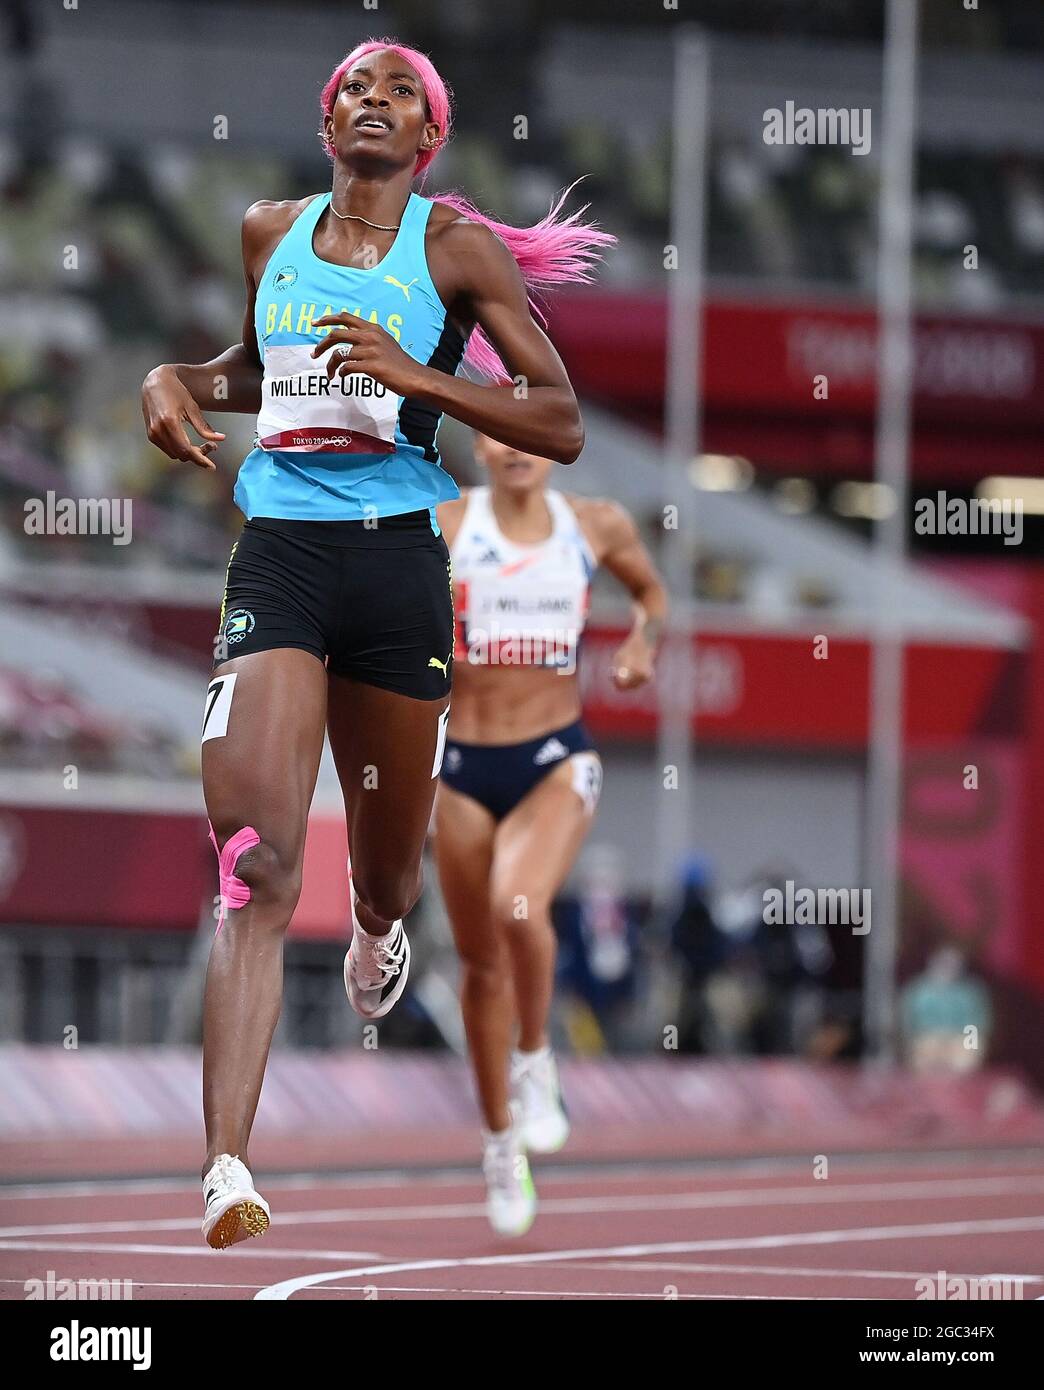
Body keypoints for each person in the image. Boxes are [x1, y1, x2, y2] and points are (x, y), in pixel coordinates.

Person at [139, 38, 611, 1248]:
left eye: (401, 90)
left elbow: (559, 419)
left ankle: (378, 930)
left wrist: (421, 375)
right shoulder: (268, 231)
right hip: (283, 552)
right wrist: (176, 377)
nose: (374, 99)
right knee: (253, 864)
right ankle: (227, 1167)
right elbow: (258, 370)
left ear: (428, 138)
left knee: (389, 871)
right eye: (357, 84)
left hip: (399, 558)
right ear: (329, 116)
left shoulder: (454, 252)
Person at [434, 432, 666, 1234]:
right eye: (498, 429)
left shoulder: (594, 524)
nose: (516, 446)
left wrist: (642, 639)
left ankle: (535, 1055)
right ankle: (501, 1143)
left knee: (519, 905)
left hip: (555, 759)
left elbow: (651, 594)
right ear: (476, 442)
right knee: (477, 965)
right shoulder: (448, 521)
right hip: (460, 764)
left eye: (532, 429)